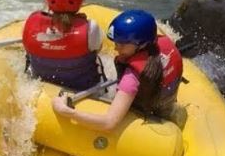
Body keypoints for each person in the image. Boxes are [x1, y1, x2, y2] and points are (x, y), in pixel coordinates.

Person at [51, 9, 183, 131]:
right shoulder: (164, 44)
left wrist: (67, 111)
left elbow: (108, 123)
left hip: (145, 115)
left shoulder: (131, 78)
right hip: (166, 106)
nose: (116, 49)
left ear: (141, 44)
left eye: (122, 44)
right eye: (116, 43)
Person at [22, 0, 104, 90]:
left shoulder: (31, 23)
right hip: (84, 91)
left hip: (42, 87)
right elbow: (98, 49)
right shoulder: (91, 28)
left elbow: (28, 50)